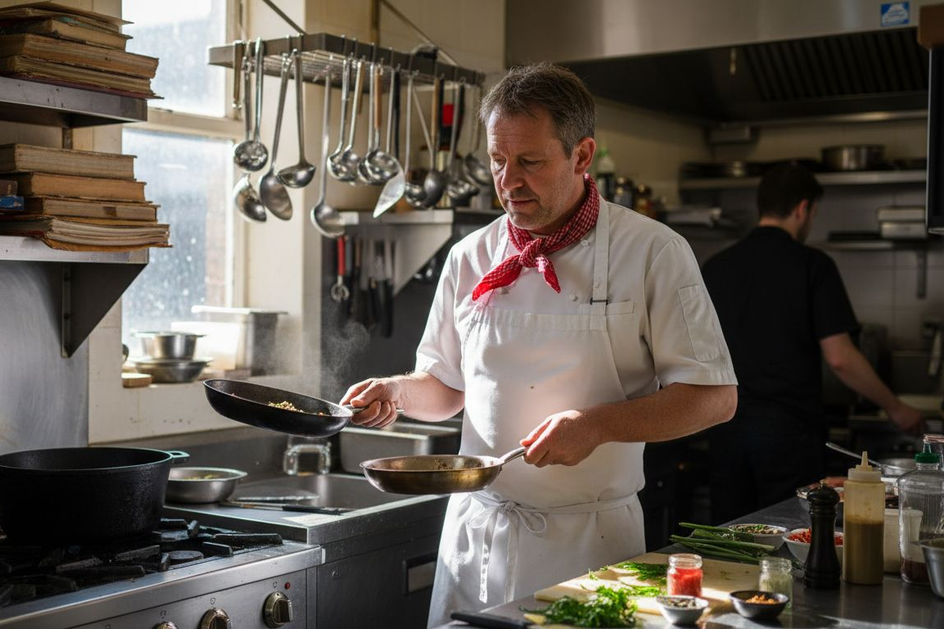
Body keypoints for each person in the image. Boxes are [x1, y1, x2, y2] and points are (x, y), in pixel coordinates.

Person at [340, 63, 738, 627]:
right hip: (476, 537)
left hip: (590, 547)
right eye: (498, 162)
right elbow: (446, 388)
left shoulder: (651, 251)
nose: (509, 182)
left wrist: (597, 425)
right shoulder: (470, 256)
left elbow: (714, 397)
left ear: (582, 156)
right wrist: (396, 392)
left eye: (530, 162)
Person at [701, 163, 923, 523]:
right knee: (792, 536)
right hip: (788, 434)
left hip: (725, 428)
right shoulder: (812, 265)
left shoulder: (715, 267)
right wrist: (895, 407)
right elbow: (840, 358)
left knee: (731, 537)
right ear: (803, 208)